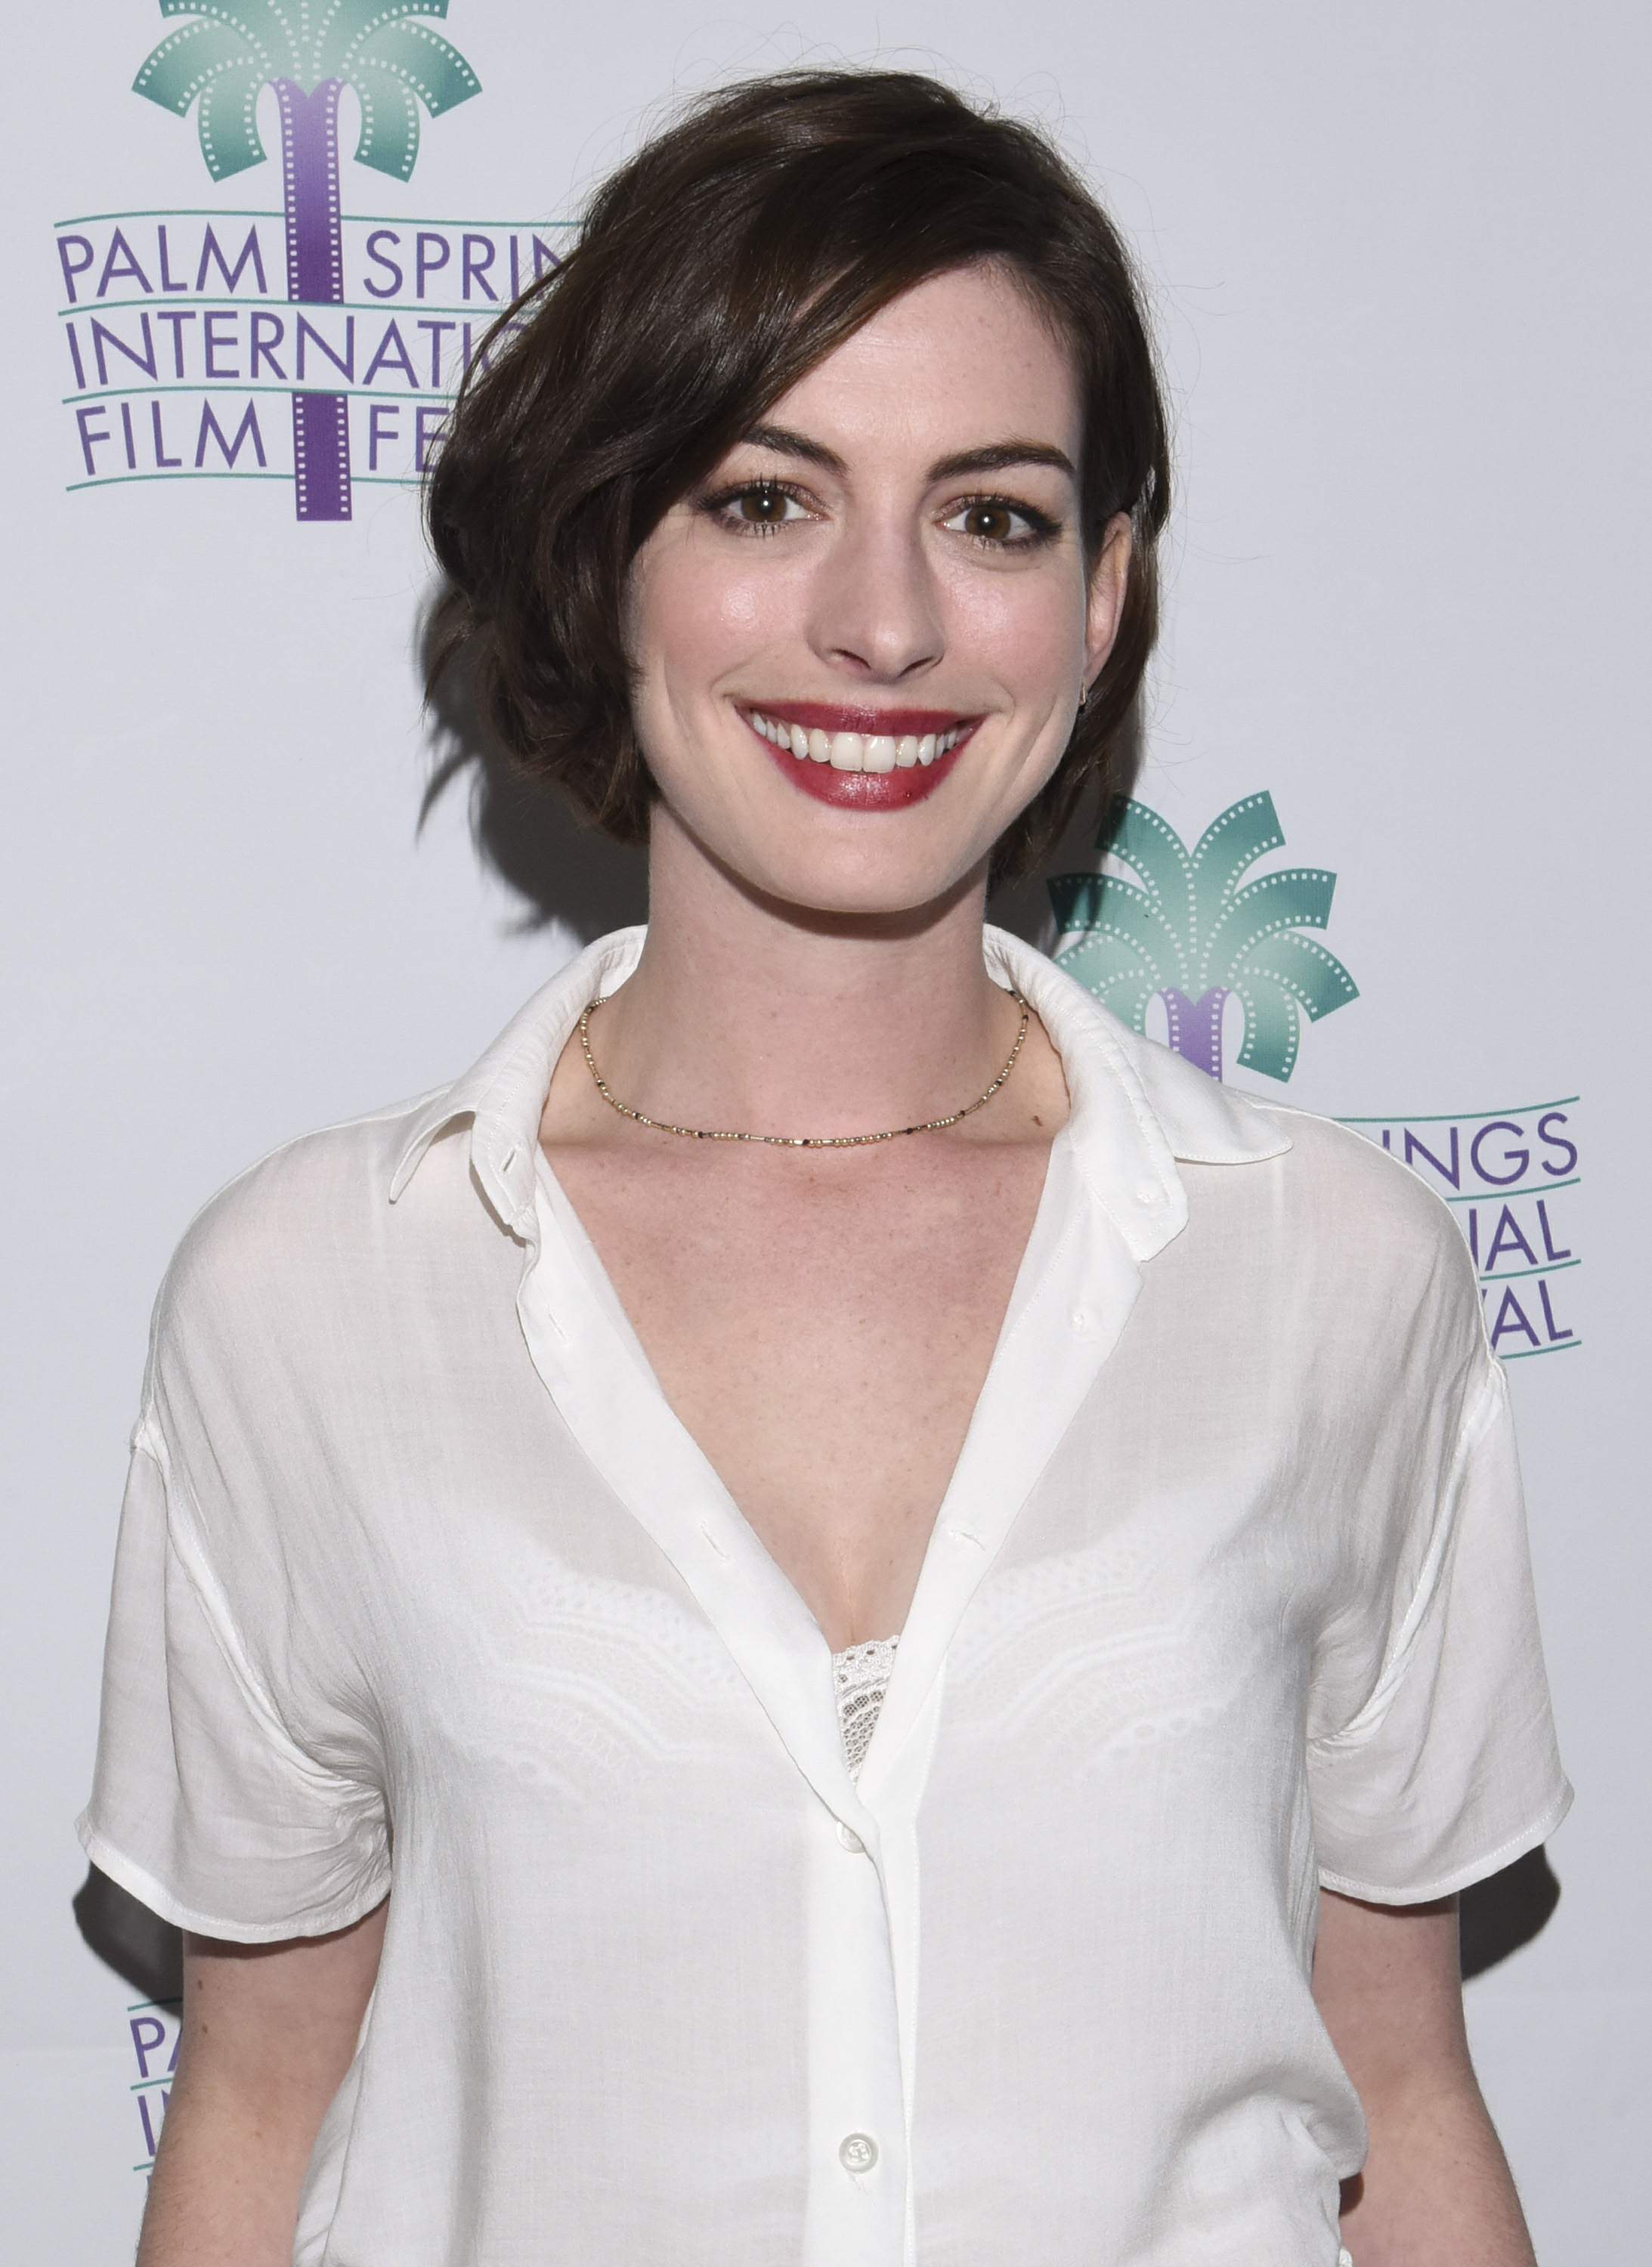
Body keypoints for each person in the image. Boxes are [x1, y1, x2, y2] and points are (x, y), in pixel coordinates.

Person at [77, 65, 1572, 2267]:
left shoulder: (1337, 1269)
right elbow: (254, 2115)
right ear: (608, 557)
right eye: (766, 498)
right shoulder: (315, 1293)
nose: (884, 623)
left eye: (993, 517)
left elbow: (1404, 2095)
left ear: (1102, 592)